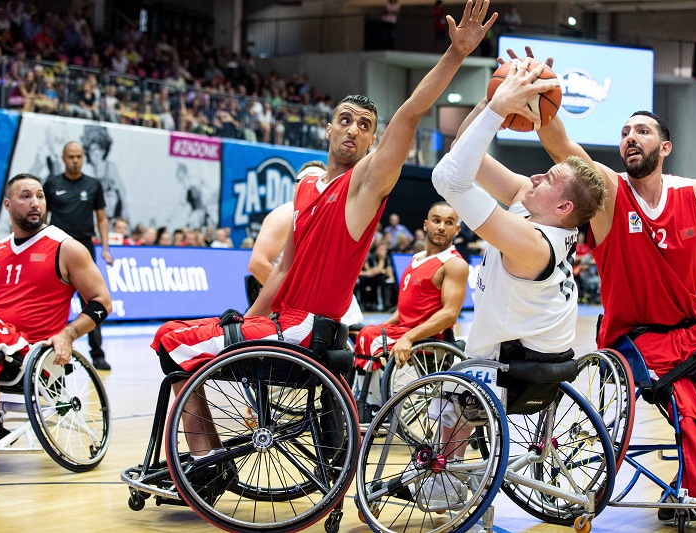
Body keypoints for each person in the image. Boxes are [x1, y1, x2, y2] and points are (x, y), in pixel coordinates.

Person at [150, 0, 497, 459]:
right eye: (346, 121)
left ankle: (205, 463)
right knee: (172, 334)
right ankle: (207, 459)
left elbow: (411, 113)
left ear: (375, 141)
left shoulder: (365, 187)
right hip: (279, 324)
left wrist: (454, 55)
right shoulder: (309, 185)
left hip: (309, 330)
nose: (354, 130)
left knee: (173, 344)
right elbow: (282, 268)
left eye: (366, 126)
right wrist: (251, 316)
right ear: (329, 129)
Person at [523, 44, 696, 512]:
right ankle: (695, 482)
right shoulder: (610, 191)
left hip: (692, 333)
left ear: (665, 146)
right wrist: (541, 99)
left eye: (642, 131)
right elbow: (564, 148)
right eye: (624, 132)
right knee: (684, 401)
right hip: (634, 339)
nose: (630, 138)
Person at [426, 57, 606, 507]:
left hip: (514, 366)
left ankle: (445, 484)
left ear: (563, 208)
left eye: (551, 178)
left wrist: (495, 111)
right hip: (535, 355)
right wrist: (491, 101)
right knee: (465, 372)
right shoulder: (535, 205)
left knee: (451, 394)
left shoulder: (533, 243)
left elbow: (447, 178)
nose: (537, 175)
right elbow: (461, 153)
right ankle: (452, 472)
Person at [0, 173, 111, 440]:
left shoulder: (66, 247)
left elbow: (102, 303)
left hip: (34, 354)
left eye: (40, 196)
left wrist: (68, 334)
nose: (35, 202)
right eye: (25, 196)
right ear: (7, 205)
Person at [353, 202, 468, 421]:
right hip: (406, 331)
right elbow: (404, 310)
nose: (442, 227)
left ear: (457, 230)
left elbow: (450, 314)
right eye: (436, 221)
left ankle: (373, 408)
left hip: (428, 338)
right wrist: (383, 326)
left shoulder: (453, 264)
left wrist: (408, 337)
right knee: (362, 332)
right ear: (426, 225)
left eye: (449, 222)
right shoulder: (417, 259)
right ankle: (363, 401)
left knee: (370, 337)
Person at [247, 160, 364, 323]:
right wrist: (293, 302)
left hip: (333, 310)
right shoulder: (285, 214)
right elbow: (257, 264)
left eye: (318, 181)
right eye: (306, 180)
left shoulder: (326, 214)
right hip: (303, 312)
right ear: (296, 186)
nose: (312, 186)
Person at [43, 142, 113, 371]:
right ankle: (50, 352)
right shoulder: (52, 184)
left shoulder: (93, 185)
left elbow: (101, 218)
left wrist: (105, 248)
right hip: (57, 247)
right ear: (63, 158)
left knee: (92, 301)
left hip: (84, 247)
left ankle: (98, 355)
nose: (76, 160)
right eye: (71, 156)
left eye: (79, 156)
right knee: (52, 302)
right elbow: (43, 218)